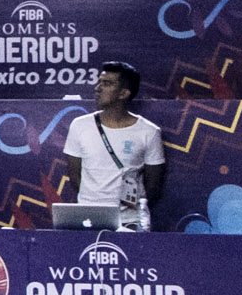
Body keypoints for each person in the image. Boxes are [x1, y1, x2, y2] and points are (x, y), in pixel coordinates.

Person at [54, 60, 168, 222]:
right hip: (88, 218)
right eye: (99, 82)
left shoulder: (149, 131)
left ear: (124, 93)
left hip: (131, 220)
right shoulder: (79, 125)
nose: (98, 88)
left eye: (107, 84)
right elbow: (75, 175)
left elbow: (153, 184)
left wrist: (128, 207)